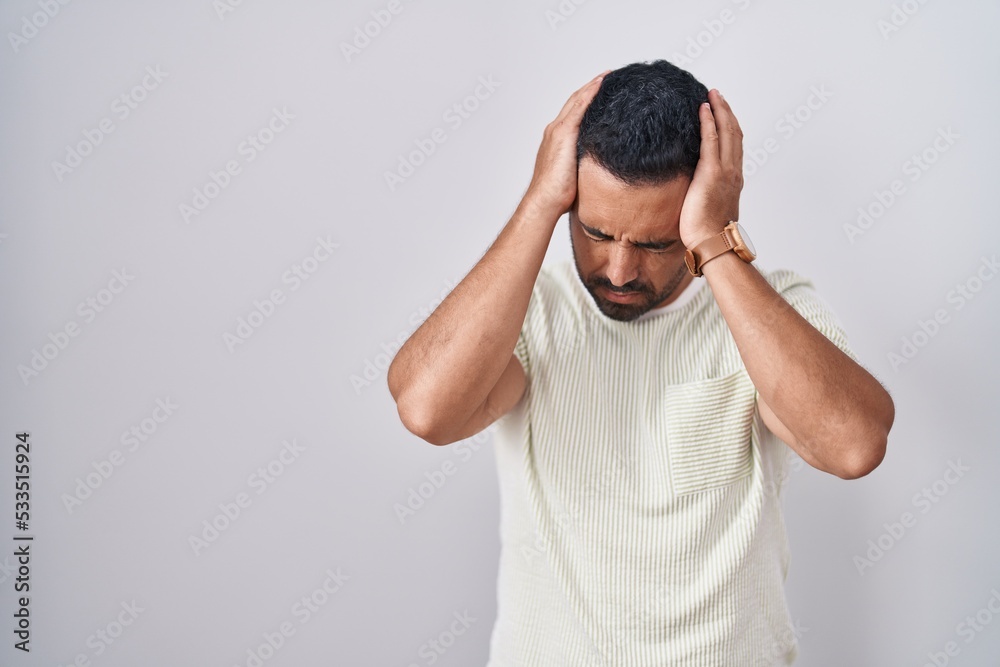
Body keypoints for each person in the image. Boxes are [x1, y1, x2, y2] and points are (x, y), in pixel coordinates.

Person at [386, 60, 895, 666]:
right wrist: (537, 204)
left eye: (656, 243)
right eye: (596, 232)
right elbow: (426, 411)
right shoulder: (530, 310)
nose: (621, 270)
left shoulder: (769, 314)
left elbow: (853, 446)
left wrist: (717, 243)